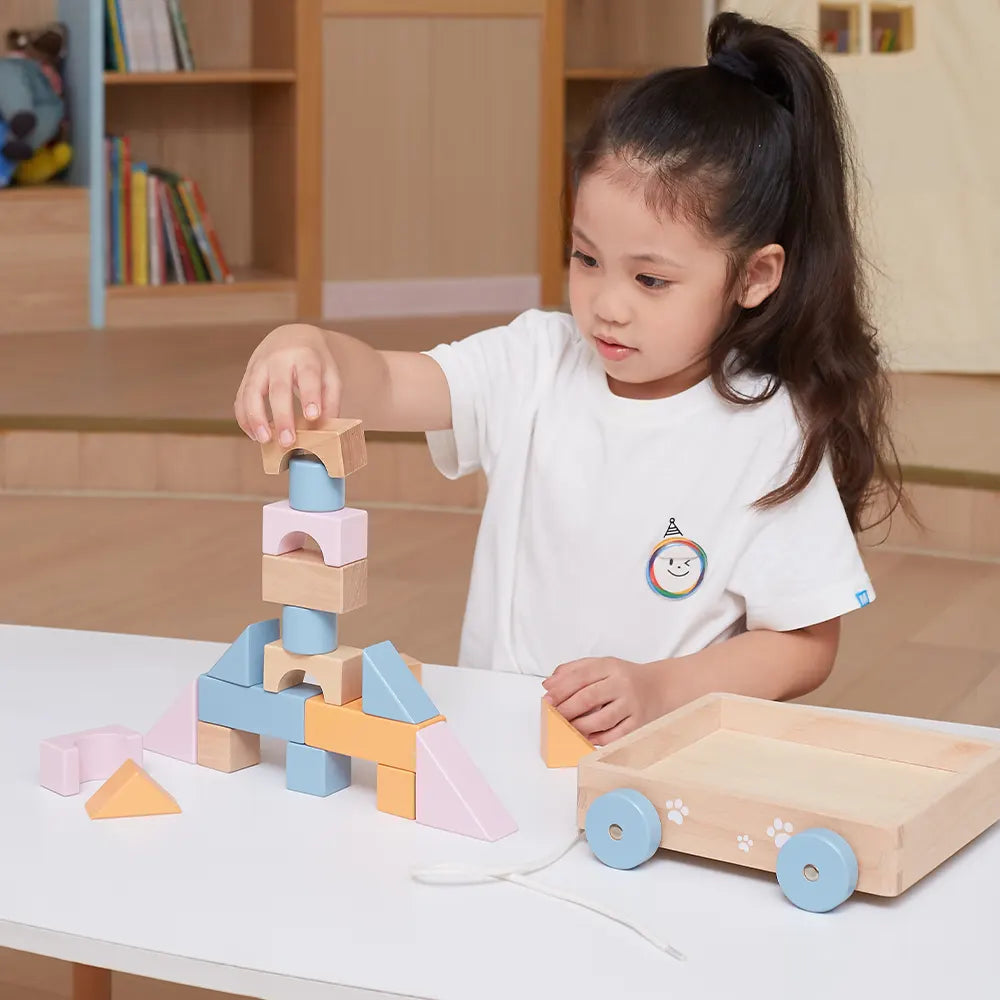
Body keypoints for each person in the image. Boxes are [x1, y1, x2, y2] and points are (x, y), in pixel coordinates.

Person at [234, 12, 908, 747]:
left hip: (660, 765)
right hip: (499, 748)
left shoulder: (770, 430)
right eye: (586, 259)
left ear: (755, 276)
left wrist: (659, 689)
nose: (607, 306)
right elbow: (392, 385)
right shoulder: (535, 361)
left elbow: (806, 644)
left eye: (651, 280)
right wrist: (304, 345)